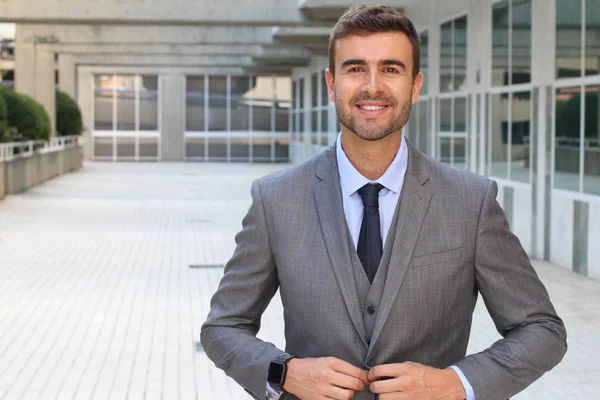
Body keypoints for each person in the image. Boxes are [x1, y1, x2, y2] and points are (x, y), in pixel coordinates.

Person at [201, 5, 567, 400]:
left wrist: (457, 383)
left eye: (391, 69)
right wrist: (284, 372)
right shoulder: (275, 199)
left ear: (415, 85)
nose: (372, 87)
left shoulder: (470, 201)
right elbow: (222, 328)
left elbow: (541, 329)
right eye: (355, 68)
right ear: (331, 83)